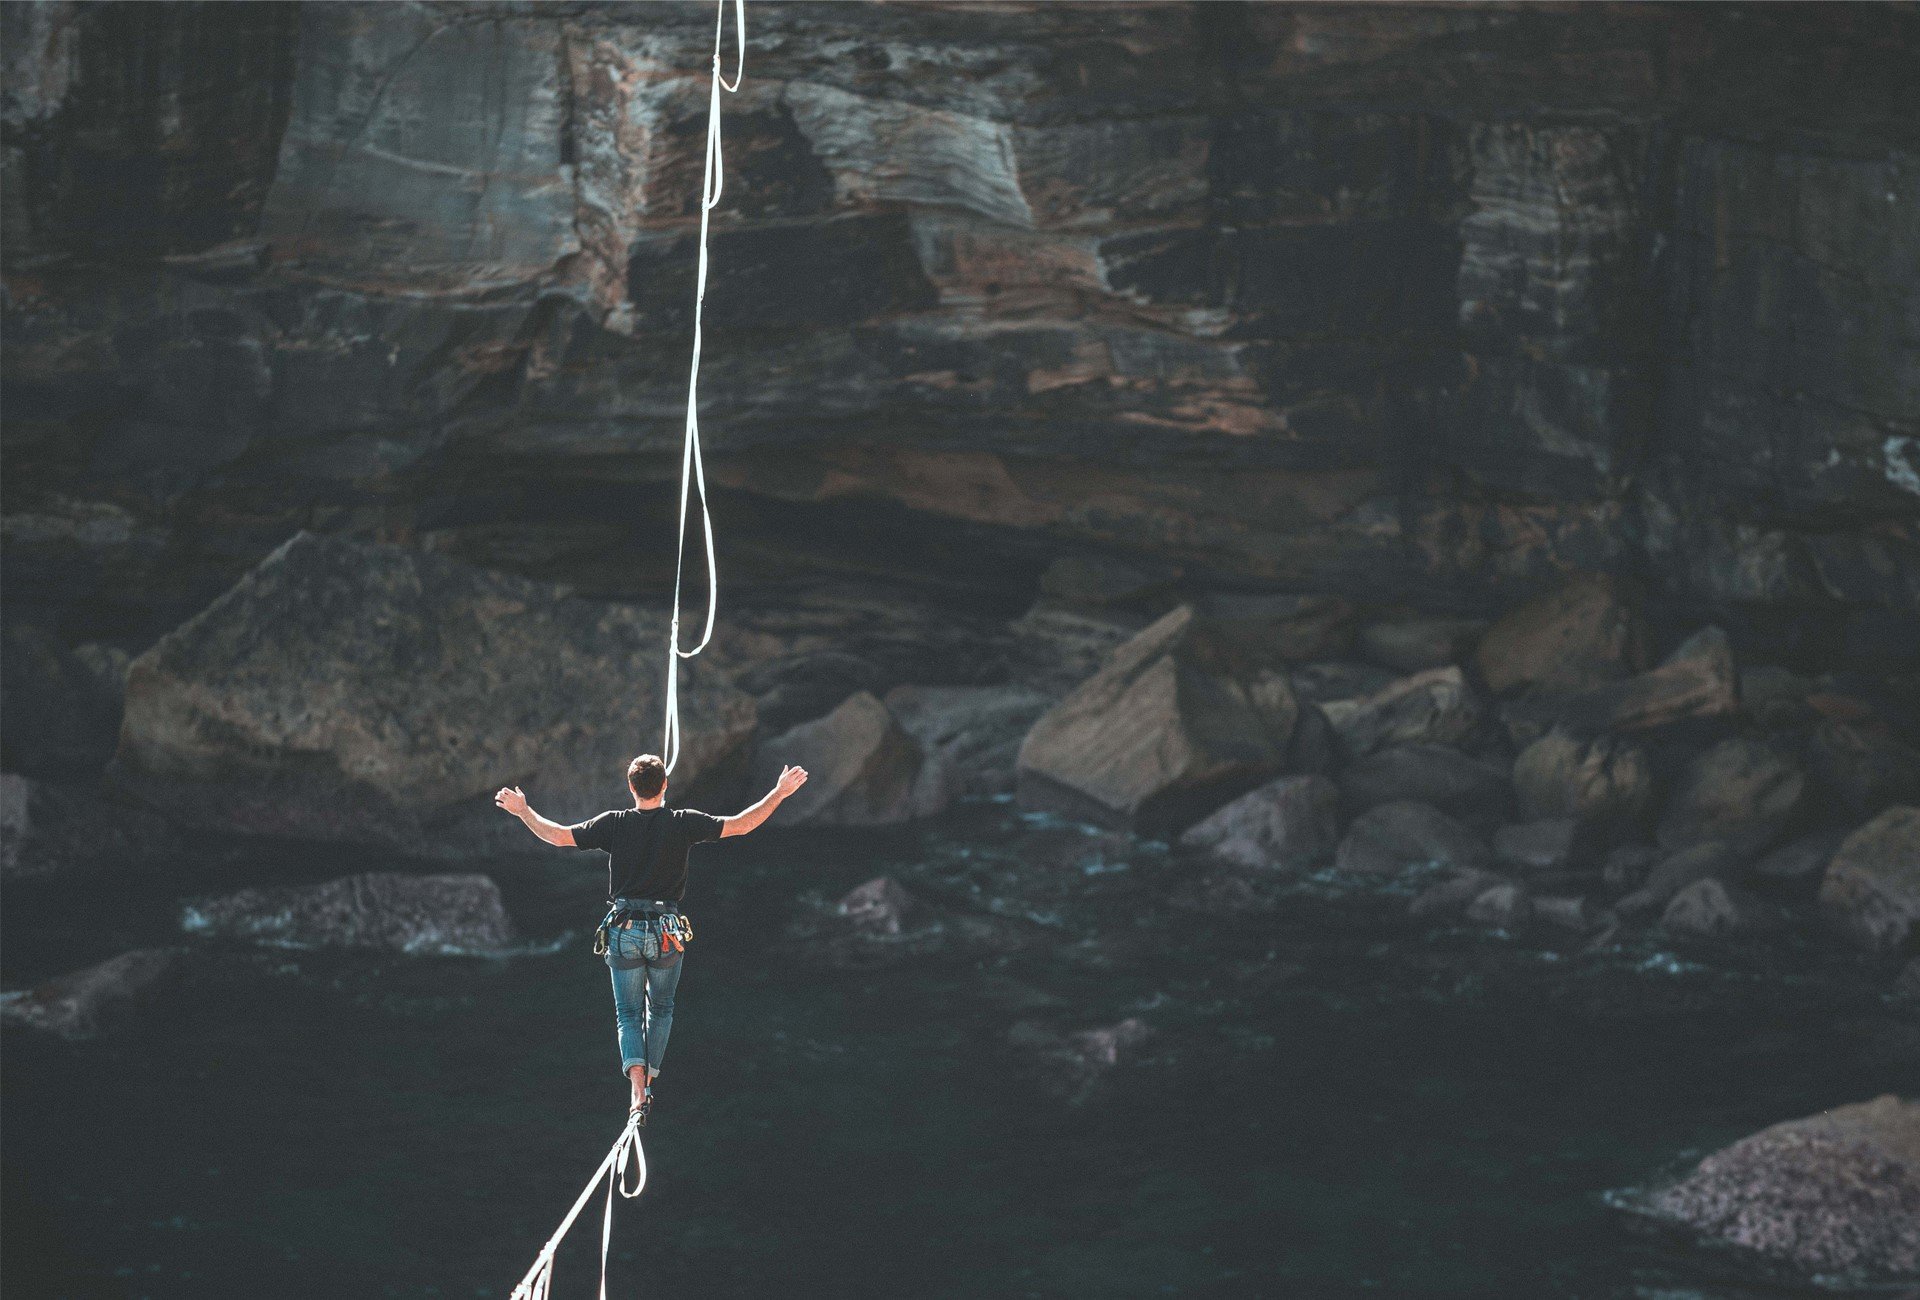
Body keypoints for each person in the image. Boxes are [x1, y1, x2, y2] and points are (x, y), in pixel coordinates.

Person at [495, 756, 808, 1122]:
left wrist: (523, 811)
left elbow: (559, 836)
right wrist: (779, 793)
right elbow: (741, 825)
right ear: (665, 787)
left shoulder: (613, 823)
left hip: (624, 928)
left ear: (631, 788)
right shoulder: (682, 822)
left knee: (628, 1015)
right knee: (660, 1009)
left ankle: (636, 1089)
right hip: (665, 931)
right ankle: (649, 1082)